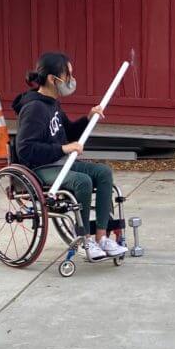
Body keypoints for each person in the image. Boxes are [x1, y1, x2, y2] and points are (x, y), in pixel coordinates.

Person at [11, 52, 128, 260]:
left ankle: (101, 238)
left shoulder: (52, 103)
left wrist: (88, 118)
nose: (71, 80)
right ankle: (84, 239)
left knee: (103, 173)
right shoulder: (34, 108)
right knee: (82, 181)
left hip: (61, 163)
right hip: (41, 168)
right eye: (67, 75)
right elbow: (26, 150)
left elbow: (70, 133)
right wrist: (63, 149)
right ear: (51, 78)